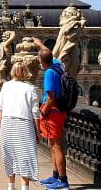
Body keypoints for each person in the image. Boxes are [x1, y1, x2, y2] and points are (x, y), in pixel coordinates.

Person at [0, 62, 41, 190]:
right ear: (25, 72)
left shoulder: (5, 86)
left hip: (7, 123)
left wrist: (2, 125)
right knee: (25, 157)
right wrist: (37, 132)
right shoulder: (30, 88)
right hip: (23, 124)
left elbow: (0, 108)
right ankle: (24, 188)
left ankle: (11, 186)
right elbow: (35, 113)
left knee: (9, 156)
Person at [35, 46, 69, 189]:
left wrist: (43, 112)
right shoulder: (58, 66)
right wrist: (40, 45)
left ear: (41, 61)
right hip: (59, 110)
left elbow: (51, 98)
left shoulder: (49, 72)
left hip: (52, 112)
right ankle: (55, 176)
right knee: (52, 144)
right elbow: (49, 54)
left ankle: (63, 181)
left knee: (56, 146)